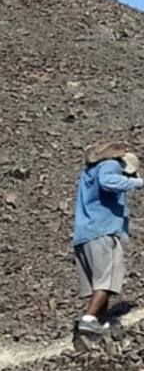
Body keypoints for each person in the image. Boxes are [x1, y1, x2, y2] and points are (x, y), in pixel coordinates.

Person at [72, 141, 143, 337]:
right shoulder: (111, 165)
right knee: (107, 280)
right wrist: (138, 183)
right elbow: (108, 181)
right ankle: (89, 320)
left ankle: (98, 325)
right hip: (103, 232)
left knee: (100, 284)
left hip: (84, 234)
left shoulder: (89, 171)